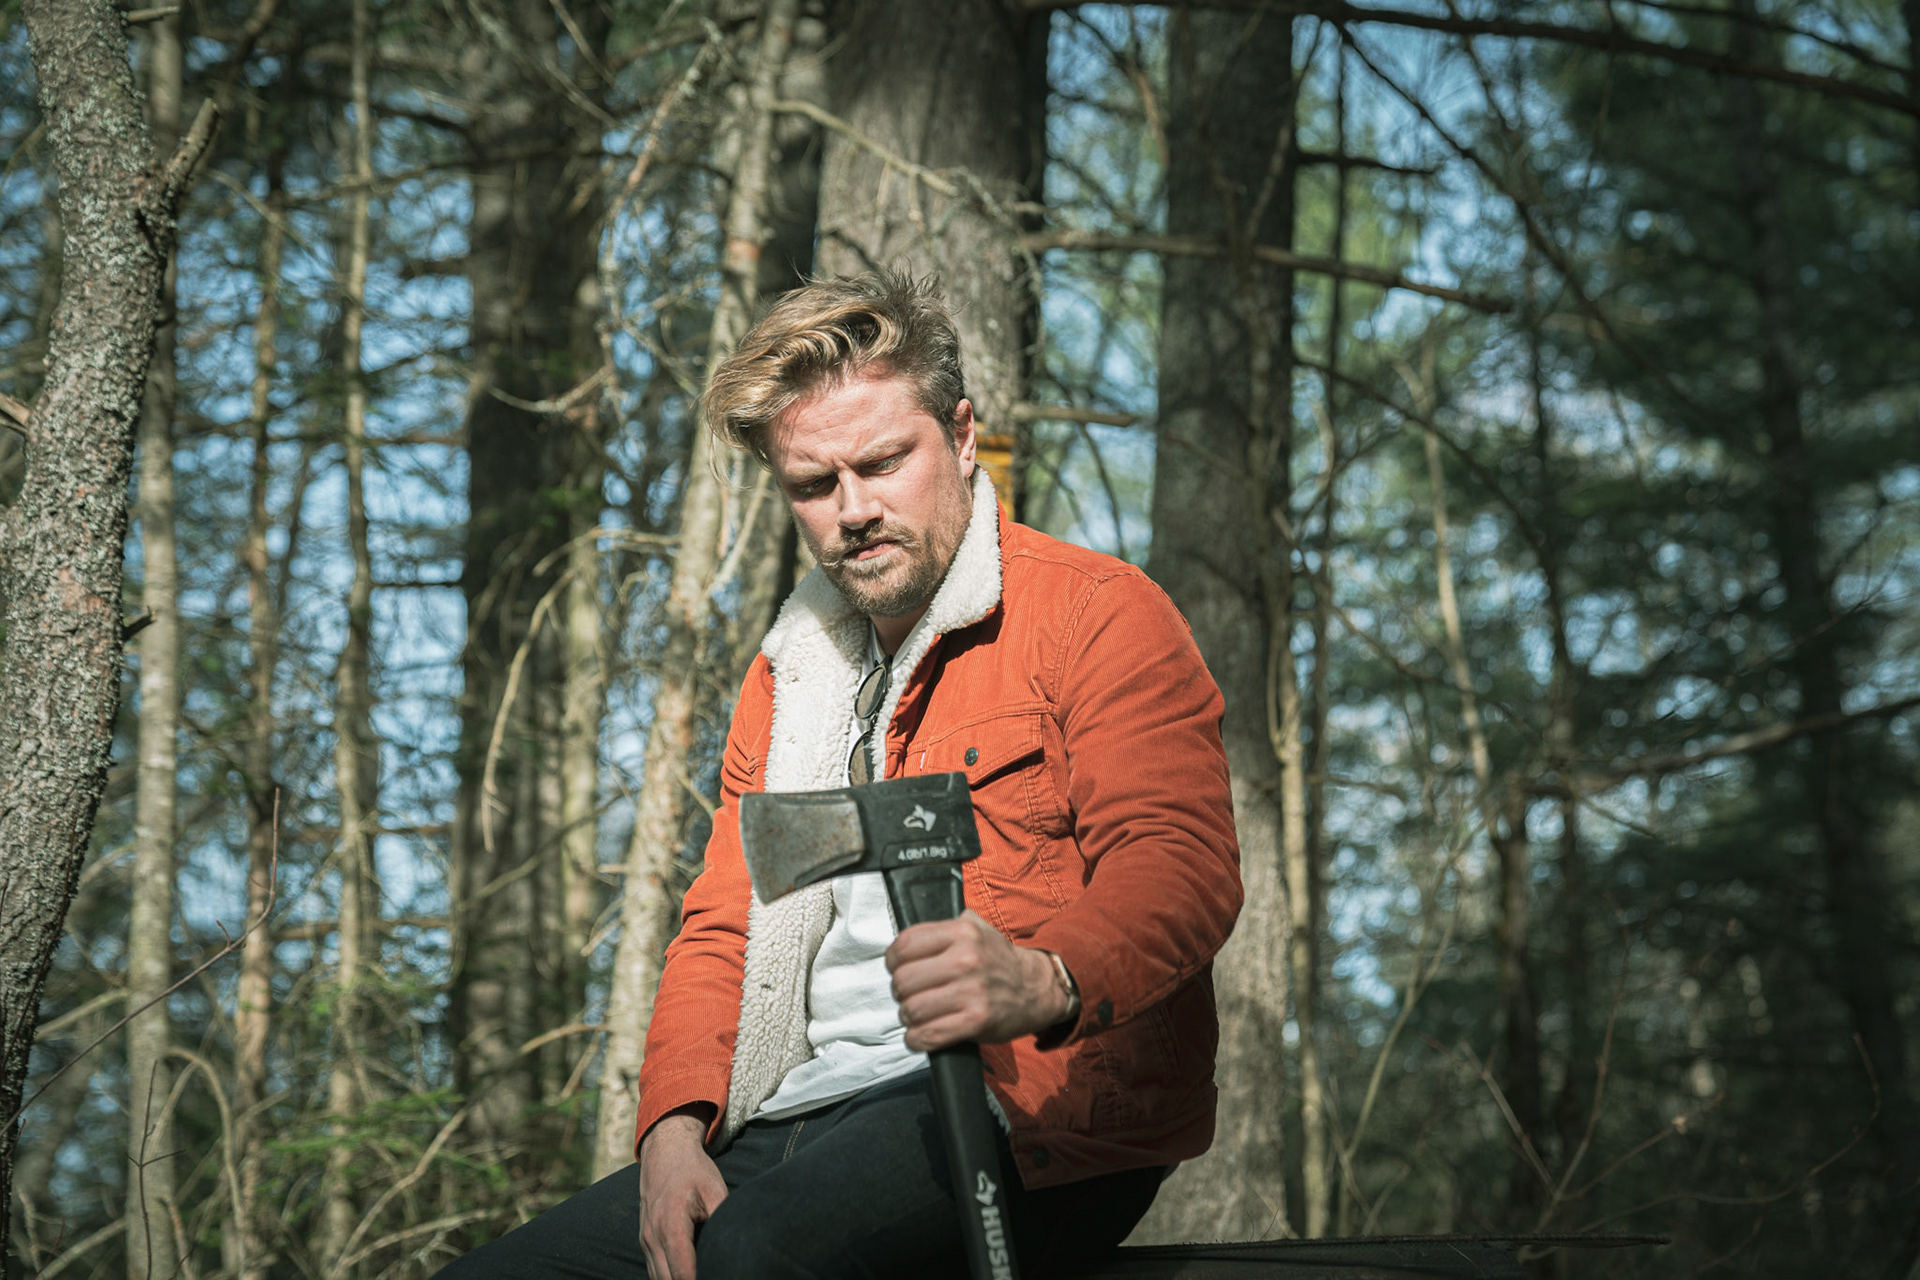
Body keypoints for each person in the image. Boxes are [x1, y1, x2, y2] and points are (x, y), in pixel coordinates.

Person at [434, 271, 1242, 1280]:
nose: (854, 509)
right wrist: (673, 1130)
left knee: (753, 1257)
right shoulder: (790, 676)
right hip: (795, 1110)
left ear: (960, 435)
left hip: (1028, 1108)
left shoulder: (1094, 613)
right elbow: (723, 924)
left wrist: (1041, 977)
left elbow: (1179, 864)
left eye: (884, 462)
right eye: (815, 485)